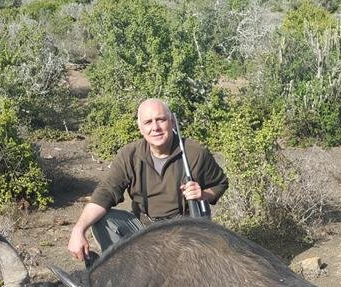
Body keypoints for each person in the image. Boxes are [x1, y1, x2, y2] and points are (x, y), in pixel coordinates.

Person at [67, 98, 228, 261]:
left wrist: (203, 195)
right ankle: (123, 273)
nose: (155, 128)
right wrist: (78, 230)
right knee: (104, 220)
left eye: (161, 120)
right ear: (140, 128)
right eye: (148, 122)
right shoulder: (129, 155)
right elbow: (105, 194)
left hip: (184, 231)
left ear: (172, 122)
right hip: (143, 228)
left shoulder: (194, 152)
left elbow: (220, 183)